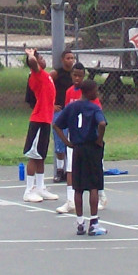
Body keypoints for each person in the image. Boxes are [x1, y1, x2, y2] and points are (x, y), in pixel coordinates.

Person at [53, 75, 108, 235]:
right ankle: (94, 223)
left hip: (77, 149)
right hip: (91, 148)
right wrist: (99, 139)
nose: (97, 93)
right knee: (93, 186)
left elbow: (56, 125)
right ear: (89, 92)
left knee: (78, 188)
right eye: (96, 90)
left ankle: (80, 223)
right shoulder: (94, 108)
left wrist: (67, 142)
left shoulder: (71, 107)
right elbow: (102, 123)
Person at [56, 63, 96, 214]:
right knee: (71, 168)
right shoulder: (69, 92)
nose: (77, 78)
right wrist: (66, 139)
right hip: (74, 138)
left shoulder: (90, 95)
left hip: (89, 139)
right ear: (71, 75)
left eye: (80, 75)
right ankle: (70, 200)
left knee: (93, 170)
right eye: (75, 75)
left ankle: (101, 195)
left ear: (84, 76)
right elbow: (66, 116)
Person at [21, 48, 59, 203]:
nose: (43, 59)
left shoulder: (45, 75)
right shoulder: (36, 74)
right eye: (40, 58)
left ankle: (40, 187)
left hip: (46, 120)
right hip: (38, 120)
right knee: (33, 156)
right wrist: (31, 55)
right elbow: (32, 63)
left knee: (41, 157)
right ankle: (28, 190)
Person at [51, 49, 78, 182]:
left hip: (72, 111)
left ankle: (71, 169)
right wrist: (51, 104)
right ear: (62, 60)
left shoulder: (76, 75)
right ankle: (60, 170)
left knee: (73, 140)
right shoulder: (56, 74)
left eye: (72, 58)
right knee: (60, 141)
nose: (70, 60)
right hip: (60, 110)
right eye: (68, 58)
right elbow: (45, 87)